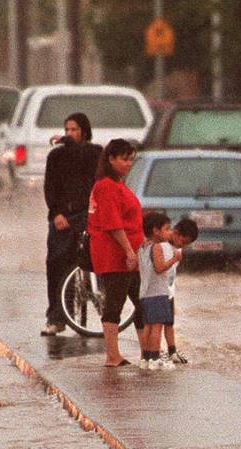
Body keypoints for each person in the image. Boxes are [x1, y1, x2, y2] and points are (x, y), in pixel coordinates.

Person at [41, 112, 102, 336]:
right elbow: (50, 187)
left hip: (87, 215)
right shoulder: (56, 156)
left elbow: (98, 179)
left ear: (84, 131)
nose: (69, 134)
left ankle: (104, 304)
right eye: (67, 130)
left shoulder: (95, 153)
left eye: (74, 130)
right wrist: (56, 213)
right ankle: (56, 317)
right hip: (61, 217)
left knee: (98, 257)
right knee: (56, 263)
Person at [87, 138, 145, 366]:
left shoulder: (117, 185)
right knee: (115, 304)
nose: (129, 163)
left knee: (143, 303)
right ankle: (113, 356)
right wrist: (130, 252)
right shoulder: (106, 187)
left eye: (131, 159)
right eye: (124, 159)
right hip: (115, 255)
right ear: (111, 159)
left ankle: (148, 352)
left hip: (128, 254)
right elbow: (113, 225)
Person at [137, 211, 183, 370]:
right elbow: (159, 267)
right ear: (156, 231)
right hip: (157, 292)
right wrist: (174, 259)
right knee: (157, 327)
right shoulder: (156, 247)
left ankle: (146, 358)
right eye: (166, 229)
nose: (169, 233)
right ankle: (155, 359)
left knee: (148, 326)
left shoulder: (142, 246)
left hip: (145, 292)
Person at [163, 218, 199, 365]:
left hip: (169, 290)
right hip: (157, 291)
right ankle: (151, 353)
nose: (183, 246)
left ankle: (172, 351)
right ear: (176, 233)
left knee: (169, 322)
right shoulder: (162, 247)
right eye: (183, 242)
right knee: (155, 323)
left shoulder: (177, 248)